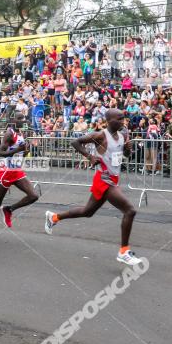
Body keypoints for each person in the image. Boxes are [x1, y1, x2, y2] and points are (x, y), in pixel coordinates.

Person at [44, 109, 142, 266]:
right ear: (109, 121)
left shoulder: (122, 136)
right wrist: (89, 156)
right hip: (104, 180)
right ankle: (124, 251)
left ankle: (54, 217)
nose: (123, 121)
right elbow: (75, 142)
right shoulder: (100, 135)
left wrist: (128, 149)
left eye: (124, 118)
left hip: (113, 179)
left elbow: (126, 155)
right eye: (120, 119)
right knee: (130, 210)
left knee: (87, 212)